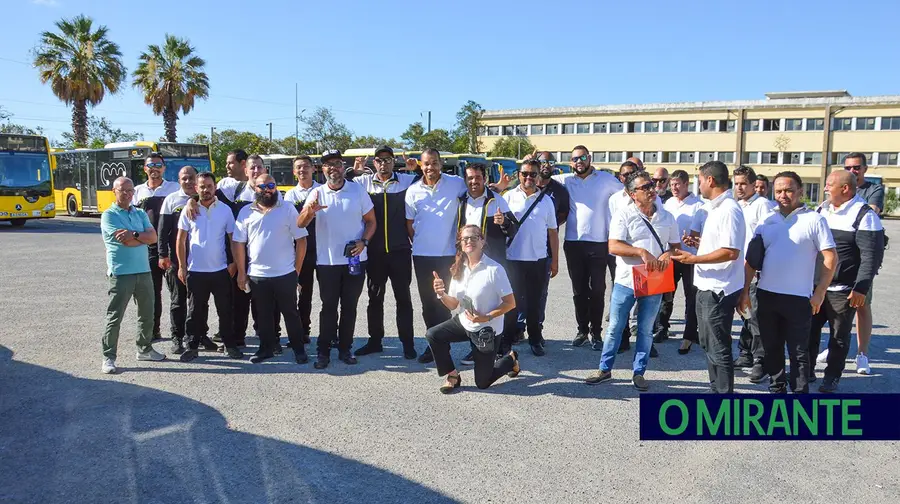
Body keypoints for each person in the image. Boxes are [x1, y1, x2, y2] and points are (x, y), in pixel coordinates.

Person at [740, 171, 836, 394]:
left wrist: (820, 291)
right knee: (771, 346)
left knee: (799, 351)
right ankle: (777, 386)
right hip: (766, 295)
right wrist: (744, 291)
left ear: (800, 192)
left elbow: (830, 257)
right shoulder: (767, 220)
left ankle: (800, 391)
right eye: (779, 190)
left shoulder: (814, 219)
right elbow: (751, 261)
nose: (784, 195)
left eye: (789, 190)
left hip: (799, 298)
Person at [586, 171, 680, 390]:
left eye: (651, 185)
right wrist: (640, 252)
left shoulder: (667, 217)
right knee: (616, 327)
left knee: (646, 329)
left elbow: (676, 248)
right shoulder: (624, 214)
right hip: (627, 281)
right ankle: (605, 369)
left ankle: (639, 372)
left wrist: (668, 254)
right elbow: (613, 246)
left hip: (654, 280)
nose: (651, 189)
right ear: (631, 193)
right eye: (644, 187)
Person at [298, 150, 377, 369]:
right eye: (328, 165)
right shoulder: (316, 193)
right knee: (329, 307)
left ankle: (345, 349)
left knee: (350, 307)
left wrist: (364, 242)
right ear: (321, 169)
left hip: (355, 259)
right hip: (327, 262)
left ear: (344, 167)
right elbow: (300, 224)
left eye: (337, 164)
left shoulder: (357, 191)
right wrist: (310, 212)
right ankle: (323, 352)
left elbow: (371, 222)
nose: (333, 168)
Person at [672, 161, 745, 394]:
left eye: (700, 180)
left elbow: (730, 252)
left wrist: (693, 259)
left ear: (710, 180)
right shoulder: (713, 208)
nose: (699, 184)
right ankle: (716, 390)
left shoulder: (729, 209)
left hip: (719, 289)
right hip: (706, 285)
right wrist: (701, 246)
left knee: (718, 346)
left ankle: (723, 398)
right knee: (707, 343)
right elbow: (720, 245)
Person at [809, 170, 884, 392]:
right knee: (808, 332)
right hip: (816, 287)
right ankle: (807, 371)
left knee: (838, 336)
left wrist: (861, 288)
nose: (825, 188)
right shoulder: (822, 209)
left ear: (845, 189)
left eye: (829, 184)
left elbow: (871, 256)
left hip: (844, 290)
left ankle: (831, 376)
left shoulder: (865, 215)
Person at [425, 225, 520, 393]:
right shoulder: (459, 268)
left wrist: (487, 317)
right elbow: (454, 304)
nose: (469, 241)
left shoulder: (495, 270)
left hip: (487, 329)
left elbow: (510, 303)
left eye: (474, 237)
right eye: (465, 238)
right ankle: (453, 375)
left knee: (482, 382)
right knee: (433, 335)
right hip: (464, 321)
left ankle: (510, 360)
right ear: (461, 244)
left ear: (482, 241)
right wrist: (441, 294)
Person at [346, 148, 418, 359]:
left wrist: (419, 169)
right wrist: (355, 171)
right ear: (374, 163)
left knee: (403, 298)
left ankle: (408, 343)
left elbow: (428, 181)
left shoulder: (406, 180)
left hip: (400, 251)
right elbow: (343, 181)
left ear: (393, 162)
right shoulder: (363, 182)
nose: (383, 163)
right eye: (379, 160)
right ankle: (375, 341)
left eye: (388, 160)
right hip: (375, 251)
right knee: (374, 298)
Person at [233, 174, 309, 364]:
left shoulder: (288, 209)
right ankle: (265, 348)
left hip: (285, 273)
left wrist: (296, 271)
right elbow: (238, 243)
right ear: (255, 189)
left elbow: (301, 240)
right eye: (262, 186)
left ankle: (299, 349)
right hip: (258, 275)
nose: (267, 189)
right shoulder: (245, 212)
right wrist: (242, 272)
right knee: (263, 314)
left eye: (271, 185)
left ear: (275, 187)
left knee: (291, 313)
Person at [552, 146, 622, 349]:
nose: (578, 161)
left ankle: (597, 333)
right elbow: (542, 178)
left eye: (582, 157)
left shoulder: (605, 179)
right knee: (579, 290)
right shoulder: (565, 180)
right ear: (570, 162)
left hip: (599, 243)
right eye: (574, 159)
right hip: (573, 243)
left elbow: (626, 195)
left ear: (589, 158)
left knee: (598, 289)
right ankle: (582, 329)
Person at [405, 148, 468, 363]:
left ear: (441, 164)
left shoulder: (456, 183)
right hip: (422, 255)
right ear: (421, 165)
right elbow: (410, 224)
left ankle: (443, 345)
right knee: (428, 303)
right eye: (426, 163)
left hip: (447, 254)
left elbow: (478, 190)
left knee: (445, 301)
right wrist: (423, 241)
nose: (430, 167)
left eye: (434, 163)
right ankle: (434, 344)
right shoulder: (413, 191)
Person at [100, 177, 167, 373]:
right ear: (114, 191)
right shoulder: (109, 215)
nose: (128, 194)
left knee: (147, 313)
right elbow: (124, 241)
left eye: (131, 190)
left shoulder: (139, 213)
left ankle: (144, 349)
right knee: (115, 316)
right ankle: (108, 357)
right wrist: (141, 237)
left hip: (143, 270)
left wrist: (135, 235)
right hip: (121, 273)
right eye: (123, 190)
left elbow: (153, 237)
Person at [175, 172, 243, 362]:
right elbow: (181, 240)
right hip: (196, 271)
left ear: (215, 188)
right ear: (196, 188)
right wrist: (182, 266)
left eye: (209, 186)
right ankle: (192, 346)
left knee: (225, 311)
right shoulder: (189, 210)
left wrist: (235, 263)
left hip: (220, 270)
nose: (206, 190)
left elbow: (233, 240)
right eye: (202, 186)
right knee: (195, 312)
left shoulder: (225, 210)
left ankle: (230, 345)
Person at [457, 162, 517, 360]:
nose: (474, 181)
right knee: (473, 302)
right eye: (470, 178)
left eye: (478, 177)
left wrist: (504, 222)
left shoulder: (497, 201)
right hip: (469, 261)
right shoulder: (461, 201)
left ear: (485, 179)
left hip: (493, 260)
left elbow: (513, 230)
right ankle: (478, 346)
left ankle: (503, 347)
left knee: (500, 303)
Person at [158, 166, 217, 354]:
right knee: (178, 301)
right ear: (178, 180)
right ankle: (177, 337)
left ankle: (200, 335)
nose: (188, 182)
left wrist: (193, 200)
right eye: (184, 178)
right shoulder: (171, 200)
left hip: (200, 263)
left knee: (200, 302)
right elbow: (163, 230)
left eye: (191, 178)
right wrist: (163, 255)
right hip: (177, 261)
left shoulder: (207, 199)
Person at [502, 159, 558, 356]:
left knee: (534, 303)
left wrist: (555, 262)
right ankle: (507, 340)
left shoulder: (547, 201)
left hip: (538, 260)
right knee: (511, 304)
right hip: (513, 259)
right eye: (525, 173)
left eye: (533, 174)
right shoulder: (507, 197)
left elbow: (553, 232)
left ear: (538, 176)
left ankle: (535, 339)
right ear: (519, 175)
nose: (528, 178)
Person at [731, 165, 775, 382]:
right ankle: (745, 353)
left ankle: (761, 360)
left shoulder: (762, 205)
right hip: (738, 268)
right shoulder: (738, 205)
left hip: (755, 269)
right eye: (736, 183)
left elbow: (768, 238)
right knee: (745, 313)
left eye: (743, 184)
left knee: (755, 316)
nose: (739, 187)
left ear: (752, 185)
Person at [843, 152, 884, 375]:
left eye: (856, 167)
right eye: (848, 167)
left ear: (865, 169)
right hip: (842, 257)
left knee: (862, 304)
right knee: (835, 306)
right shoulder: (838, 187)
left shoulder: (873, 190)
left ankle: (862, 353)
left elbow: (872, 212)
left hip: (863, 258)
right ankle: (835, 347)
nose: (852, 171)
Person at [655, 169, 703, 353]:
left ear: (686, 184)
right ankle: (662, 328)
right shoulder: (668, 203)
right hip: (671, 256)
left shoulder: (698, 205)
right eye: (672, 184)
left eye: (677, 184)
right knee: (666, 294)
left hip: (690, 257)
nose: (674, 188)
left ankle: (689, 335)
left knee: (691, 297)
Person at [133, 153, 179, 341]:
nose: (154, 168)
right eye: (150, 165)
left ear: (164, 168)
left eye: (158, 165)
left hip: (171, 247)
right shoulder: (137, 191)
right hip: (148, 248)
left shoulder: (174, 189)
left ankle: (179, 333)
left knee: (177, 293)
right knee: (152, 292)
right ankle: (153, 330)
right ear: (145, 169)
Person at [283, 155, 321, 346]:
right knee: (302, 294)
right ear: (294, 171)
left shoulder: (322, 190)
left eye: (306, 166)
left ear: (313, 169)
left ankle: (331, 334)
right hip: (301, 249)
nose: (302, 170)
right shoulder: (290, 195)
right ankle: (302, 332)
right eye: (298, 167)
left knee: (329, 295)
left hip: (323, 248)